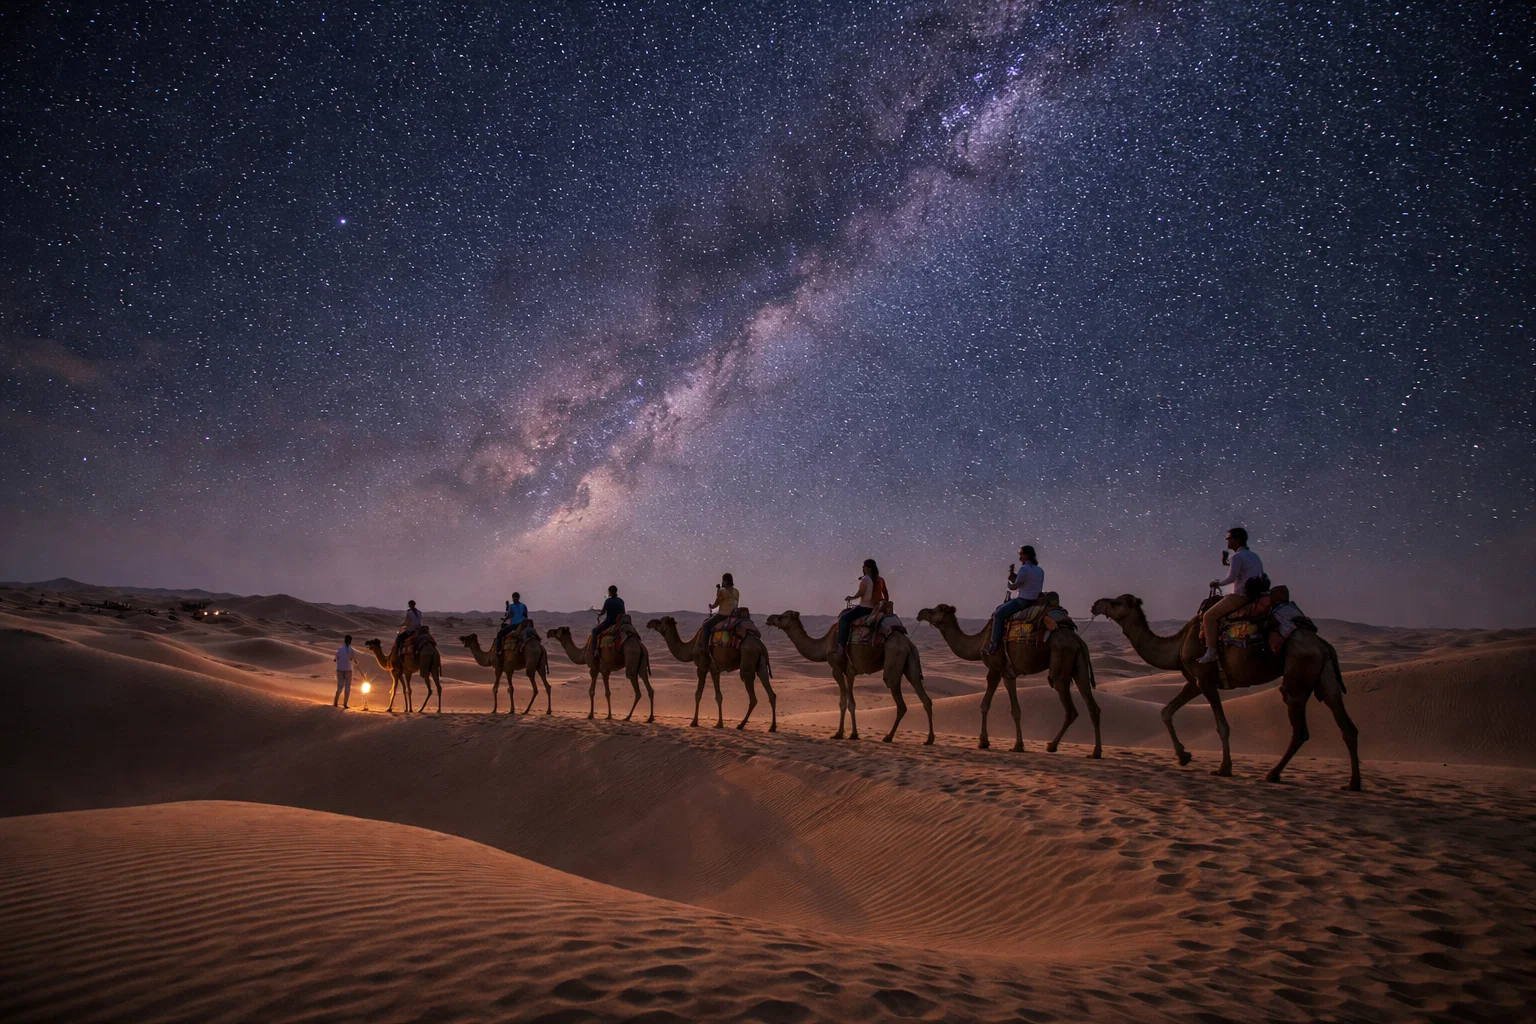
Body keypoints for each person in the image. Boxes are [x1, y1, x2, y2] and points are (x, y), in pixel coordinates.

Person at [1198, 527, 1265, 663]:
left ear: (1237, 540)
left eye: (1229, 538)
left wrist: (1217, 583)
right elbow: (1254, 572)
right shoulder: (1254, 556)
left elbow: (1231, 578)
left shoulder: (1237, 556)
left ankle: (1211, 651)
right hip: (1257, 595)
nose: (1227, 541)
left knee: (1208, 616)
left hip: (1241, 596)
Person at [983, 545, 1045, 655]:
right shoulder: (1039, 570)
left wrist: (1009, 581)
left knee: (998, 614)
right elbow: (1028, 581)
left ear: (1026, 555)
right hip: (1035, 600)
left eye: (1021, 554)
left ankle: (994, 644)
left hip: (1024, 601)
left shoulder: (1024, 568)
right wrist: (1015, 576)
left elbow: (1014, 587)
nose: (1019, 557)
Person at [836, 559, 887, 659]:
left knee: (844, 619)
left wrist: (851, 597)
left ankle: (841, 647)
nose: (863, 568)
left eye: (863, 567)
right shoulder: (880, 579)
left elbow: (861, 593)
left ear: (867, 568)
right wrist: (884, 604)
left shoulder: (866, 579)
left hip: (865, 608)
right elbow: (885, 593)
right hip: (876, 609)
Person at [699, 573, 739, 646]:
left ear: (725, 581)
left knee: (706, 625)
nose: (722, 582)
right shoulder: (736, 591)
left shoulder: (722, 591)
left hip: (723, 615)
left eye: (723, 580)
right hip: (734, 616)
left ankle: (705, 648)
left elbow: (716, 605)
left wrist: (711, 606)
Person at [589, 585, 625, 649]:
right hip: (620, 624)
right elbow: (623, 613)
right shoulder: (621, 601)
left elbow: (603, 612)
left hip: (609, 623)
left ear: (610, 592)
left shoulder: (608, 601)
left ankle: (593, 651)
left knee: (594, 631)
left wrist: (598, 614)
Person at [334, 634, 358, 708]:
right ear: (350, 641)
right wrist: (355, 661)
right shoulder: (352, 650)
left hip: (340, 670)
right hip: (348, 670)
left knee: (340, 687)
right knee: (347, 687)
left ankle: (335, 702)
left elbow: (335, 658)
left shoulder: (340, 649)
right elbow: (354, 660)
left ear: (344, 640)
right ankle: (345, 704)